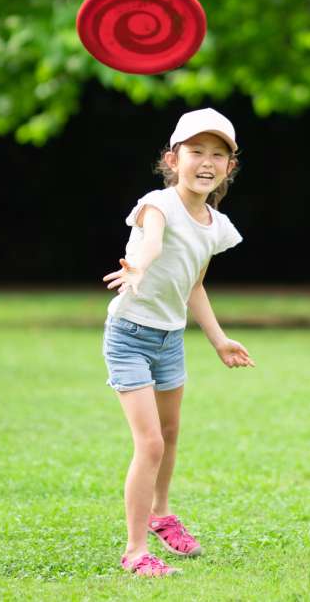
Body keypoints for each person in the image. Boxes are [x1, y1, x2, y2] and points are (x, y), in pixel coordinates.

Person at [101, 108, 256, 577]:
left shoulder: (216, 226)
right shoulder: (157, 205)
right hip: (129, 336)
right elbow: (151, 241)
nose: (206, 161)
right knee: (149, 444)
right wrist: (140, 266)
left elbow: (194, 285)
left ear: (230, 166)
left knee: (170, 436)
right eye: (195, 151)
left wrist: (219, 340)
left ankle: (160, 514)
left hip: (170, 340)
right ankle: (133, 551)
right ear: (173, 159)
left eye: (218, 154)